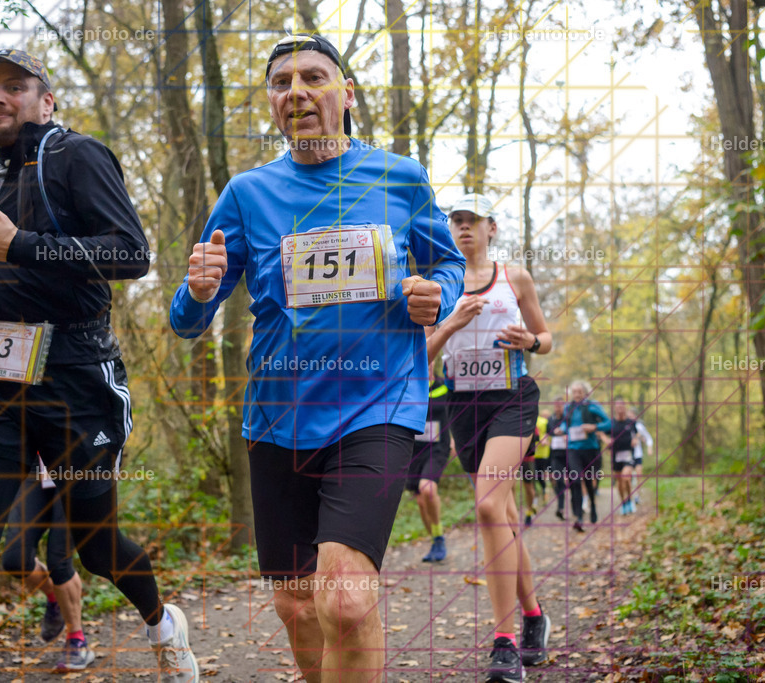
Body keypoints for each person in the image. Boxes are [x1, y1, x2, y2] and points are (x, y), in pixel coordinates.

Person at [170, 33, 466, 681]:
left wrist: (434, 295)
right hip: (277, 420)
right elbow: (186, 319)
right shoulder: (248, 194)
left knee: (348, 597)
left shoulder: (400, 177)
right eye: (282, 83)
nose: (297, 92)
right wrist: (195, 291)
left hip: (377, 407)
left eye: (313, 77)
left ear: (346, 93)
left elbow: (447, 263)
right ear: (272, 103)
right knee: (298, 606)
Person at [0, 49, 198, 682]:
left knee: (95, 548)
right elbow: (1, 281)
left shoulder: (77, 155)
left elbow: (130, 253)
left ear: (46, 102)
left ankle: (161, 622)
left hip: (77, 377)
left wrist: (22, 244)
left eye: (14, 86)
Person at [425, 193, 552, 683]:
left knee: (485, 507)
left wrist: (530, 342)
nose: (463, 228)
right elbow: (425, 353)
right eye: (455, 221)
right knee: (504, 512)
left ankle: (505, 644)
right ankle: (535, 615)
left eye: (472, 221)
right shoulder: (439, 285)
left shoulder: (512, 277)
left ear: (491, 228)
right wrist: (452, 321)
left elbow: (546, 338)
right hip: (463, 406)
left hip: (513, 399)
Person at [0, 459, 91, 670]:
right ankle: (55, 597)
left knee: (59, 561)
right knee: (15, 560)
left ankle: (76, 639)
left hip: (76, 468)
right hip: (37, 467)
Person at [405, 370, 453, 562]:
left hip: (438, 448)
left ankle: (439, 538)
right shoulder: (407, 385)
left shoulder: (445, 386)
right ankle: (435, 539)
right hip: (413, 450)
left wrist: (456, 439)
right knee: (420, 501)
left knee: (428, 489)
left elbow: (456, 410)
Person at [554, 380, 611, 532]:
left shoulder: (593, 406)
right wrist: (562, 429)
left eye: (580, 392)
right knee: (575, 480)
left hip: (590, 449)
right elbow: (567, 424)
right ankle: (578, 517)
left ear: (586, 393)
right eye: (575, 392)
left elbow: (608, 423)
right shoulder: (568, 407)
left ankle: (592, 506)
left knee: (588, 481)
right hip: (573, 449)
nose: (577, 395)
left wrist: (594, 427)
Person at [606, 397, 638, 515]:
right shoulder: (611, 423)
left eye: (622, 406)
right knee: (619, 481)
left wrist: (635, 439)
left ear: (625, 407)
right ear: (615, 408)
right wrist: (607, 441)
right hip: (616, 455)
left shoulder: (631, 422)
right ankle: (624, 502)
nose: (620, 409)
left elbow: (636, 434)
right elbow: (603, 435)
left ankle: (630, 500)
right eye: (617, 406)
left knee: (626, 477)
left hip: (628, 454)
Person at [521, 413, 549, 526]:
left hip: (527, 459)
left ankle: (529, 511)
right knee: (509, 487)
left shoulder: (530, 420)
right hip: (510, 459)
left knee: (528, 487)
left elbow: (536, 438)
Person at [545, 398, 568, 520]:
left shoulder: (568, 418)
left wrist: (566, 436)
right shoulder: (551, 420)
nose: (558, 408)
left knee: (575, 481)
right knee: (558, 481)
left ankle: (578, 507)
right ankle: (560, 508)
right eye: (556, 406)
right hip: (555, 454)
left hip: (569, 454)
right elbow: (548, 434)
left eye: (560, 406)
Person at [631, 411, 653, 505]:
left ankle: (637, 495)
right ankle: (629, 496)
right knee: (629, 477)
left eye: (632, 415)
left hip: (637, 454)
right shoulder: (624, 426)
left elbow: (648, 438)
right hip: (627, 455)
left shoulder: (639, 426)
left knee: (639, 474)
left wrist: (649, 448)